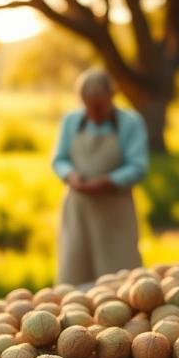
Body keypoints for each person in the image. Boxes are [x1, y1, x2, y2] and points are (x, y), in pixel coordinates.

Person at [51, 68, 149, 285]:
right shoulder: (71, 122)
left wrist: (109, 181)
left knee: (121, 279)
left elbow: (138, 166)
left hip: (115, 211)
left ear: (112, 98)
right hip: (78, 209)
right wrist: (70, 175)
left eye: (100, 107)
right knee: (74, 275)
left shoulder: (130, 123)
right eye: (88, 106)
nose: (94, 113)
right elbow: (59, 159)